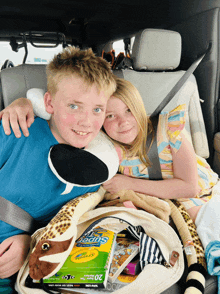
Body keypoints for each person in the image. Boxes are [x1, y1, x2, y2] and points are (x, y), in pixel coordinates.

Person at [0, 46, 117, 293]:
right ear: (49, 102)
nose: (86, 121)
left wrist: (29, 242)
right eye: (74, 106)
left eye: (97, 109)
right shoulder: (17, 130)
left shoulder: (94, 172)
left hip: (21, 277)